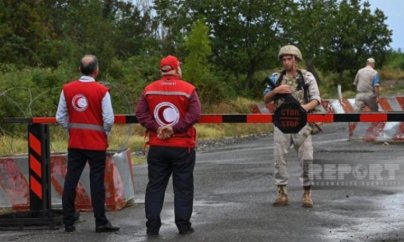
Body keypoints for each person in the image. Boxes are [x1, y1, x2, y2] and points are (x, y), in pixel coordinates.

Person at [136, 55, 201, 236]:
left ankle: (152, 226)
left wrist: (157, 128)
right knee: (183, 187)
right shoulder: (188, 89)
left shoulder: (149, 90)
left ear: (162, 70)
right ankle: (183, 225)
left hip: (157, 145)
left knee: (155, 186)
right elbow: (195, 114)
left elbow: (140, 114)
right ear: (176, 69)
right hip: (182, 146)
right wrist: (174, 128)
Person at [56, 55, 120, 233]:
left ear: (79, 69)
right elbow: (109, 119)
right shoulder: (101, 91)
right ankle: (100, 222)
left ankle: (68, 221)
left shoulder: (67, 89)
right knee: (96, 182)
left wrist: (72, 129)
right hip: (96, 144)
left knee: (71, 180)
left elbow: (60, 117)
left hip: (75, 142)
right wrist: (103, 133)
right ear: (96, 70)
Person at [263, 45, 321, 208]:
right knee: (279, 158)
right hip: (282, 123)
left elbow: (317, 99)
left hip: (302, 123)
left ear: (296, 59)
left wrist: (304, 108)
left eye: (289, 58)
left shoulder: (307, 77)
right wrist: (277, 91)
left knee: (306, 158)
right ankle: (282, 193)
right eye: (284, 59)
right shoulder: (276, 78)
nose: (286, 62)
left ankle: (307, 193)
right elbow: (266, 99)